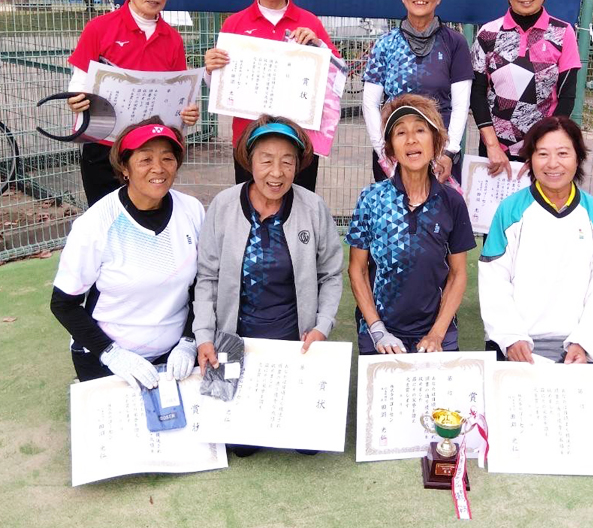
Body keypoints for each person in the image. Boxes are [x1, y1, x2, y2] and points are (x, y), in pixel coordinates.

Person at [50, 119, 205, 387]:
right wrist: (112, 355)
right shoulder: (96, 223)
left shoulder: (192, 210)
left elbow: (203, 286)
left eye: (167, 158)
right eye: (145, 159)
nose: (158, 168)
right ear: (124, 167)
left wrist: (189, 340)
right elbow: (63, 304)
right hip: (106, 356)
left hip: (175, 354)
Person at [193, 114, 343, 364]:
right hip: (233, 343)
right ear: (250, 161)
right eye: (266, 161)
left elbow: (330, 274)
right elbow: (208, 277)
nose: (277, 172)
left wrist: (322, 325)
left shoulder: (313, 208)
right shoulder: (224, 205)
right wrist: (204, 336)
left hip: (296, 344)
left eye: (287, 162)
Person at [66, 0, 200, 206]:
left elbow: (178, 96)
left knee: (147, 215)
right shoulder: (99, 29)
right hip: (104, 147)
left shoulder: (173, 39)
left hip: (150, 153)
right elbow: (79, 83)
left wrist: (187, 113)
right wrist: (76, 99)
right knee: (105, 216)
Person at [204, 0, 340, 192]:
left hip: (299, 143)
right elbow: (220, 87)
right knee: (250, 208)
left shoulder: (310, 23)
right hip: (249, 141)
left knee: (298, 208)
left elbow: (336, 82)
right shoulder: (234, 24)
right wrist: (211, 70)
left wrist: (318, 47)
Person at [478, 115, 593, 364]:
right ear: (530, 160)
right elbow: (493, 279)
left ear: (578, 158)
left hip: (574, 348)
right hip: (516, 347)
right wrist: (511, 338)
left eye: (563, 153)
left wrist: (584, 343)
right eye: (542, 154)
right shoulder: (510, 210)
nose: (553, 164)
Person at [347, 94, 475, 355]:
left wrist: (436, 334)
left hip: (437, 333)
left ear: (435, 141)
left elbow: (458, 273)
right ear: (390, 147)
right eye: (400, 132)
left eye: (420, 130)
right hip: (380, 333)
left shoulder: (452, 201)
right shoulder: (371, 198)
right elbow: (357, 270)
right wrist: (377, 329)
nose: (411, 140)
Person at [470, 0, 581, 178]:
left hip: (542, 156)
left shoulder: (563, 33)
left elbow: (566, 98)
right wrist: (492, 145)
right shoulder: (488, 33)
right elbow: (477, 93)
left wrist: (542, 151)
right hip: (495, 154)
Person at [362, 0, 473, 183]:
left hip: (440, 156)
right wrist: (384, 153)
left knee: (440, 206)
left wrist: (449, 152)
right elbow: (370, 103)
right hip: (394, 153)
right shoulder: (385, 44)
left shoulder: (455, 43)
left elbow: (461, 105)